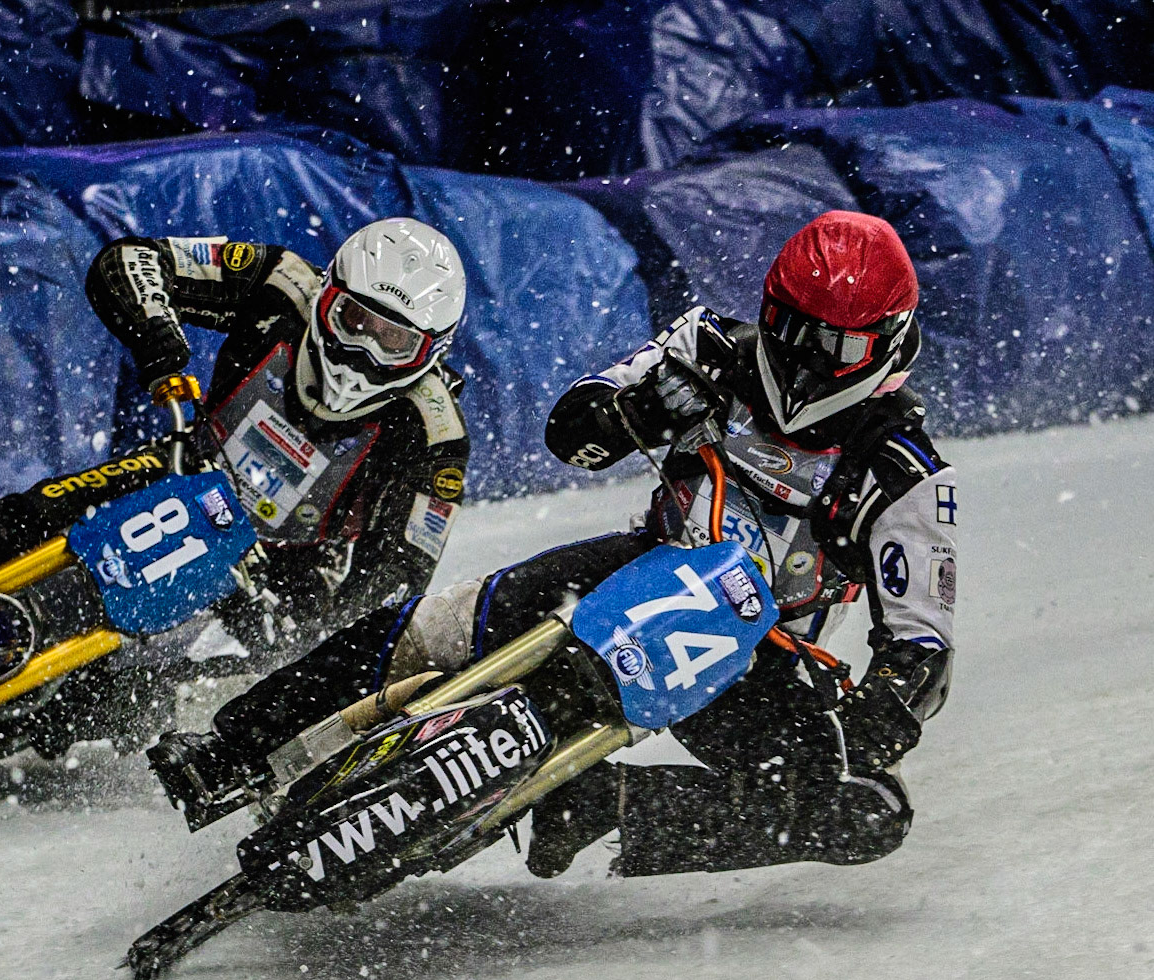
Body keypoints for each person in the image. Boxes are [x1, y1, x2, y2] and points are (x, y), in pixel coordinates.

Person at [149, 210, 955, 885]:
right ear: (767, 306)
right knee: (433, 626)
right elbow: (571, 428)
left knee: (868, 809)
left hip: (752, 652)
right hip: (635, 565)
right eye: (789, 330)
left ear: (887, 343)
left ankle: (608, 806)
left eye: (836, 349)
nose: (807, 363)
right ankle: (235, 745)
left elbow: (923, 643)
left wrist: (878, 707)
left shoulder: (903, 468)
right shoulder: (706, 344)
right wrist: (636, 409)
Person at [0, 217, 471, 763]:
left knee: (160, 691)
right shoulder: (277, 279)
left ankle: (71, 717)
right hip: (187, 466)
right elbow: (127, 262)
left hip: (291, 563)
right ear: (326, 295)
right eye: (354, 322)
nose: (362, 354)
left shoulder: (436, 433)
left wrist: (320, 626)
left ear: (430, 354)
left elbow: (400, 570)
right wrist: (163, 350)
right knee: (27, 515)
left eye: (394, 344)